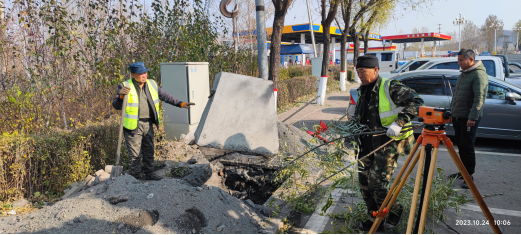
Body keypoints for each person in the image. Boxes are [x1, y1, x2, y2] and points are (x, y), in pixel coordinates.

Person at [353, 55, 424, 230]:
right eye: (357, 72)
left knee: (377, 184)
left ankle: (395, 211)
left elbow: (417, 101)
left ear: (375, 70)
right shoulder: (362, 89)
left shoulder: (390, 87)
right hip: (367, 144)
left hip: (388, 144)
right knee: (364, 183)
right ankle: (374, 220)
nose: (360, 75)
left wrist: (398, 123)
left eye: (363, 71)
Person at [112, 62, 195, 181]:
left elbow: (166, 96)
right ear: (133, 74)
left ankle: (149, 174)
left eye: (145, 72)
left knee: (149, 151)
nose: (144, 75)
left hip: (148, 124)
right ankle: (135, 177)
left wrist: (180, 104)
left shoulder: (151, 84)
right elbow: (116, 106)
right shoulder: (125, 86)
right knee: (135, 154)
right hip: (133, 126)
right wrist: (120, 96)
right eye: (141, 73)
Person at [449, 49, 488, 189]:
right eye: (458, 60)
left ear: (471, 60)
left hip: (468, 118)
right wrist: (452, 112)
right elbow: (457, 96)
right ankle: (463, 171)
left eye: (461, 60)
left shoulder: (478, 75)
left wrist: (473, 117)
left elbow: (480, 98)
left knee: (467, 146)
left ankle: (469, 175)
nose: (459, 63)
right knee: (460, 144)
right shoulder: (464, 74)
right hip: (458, 116)